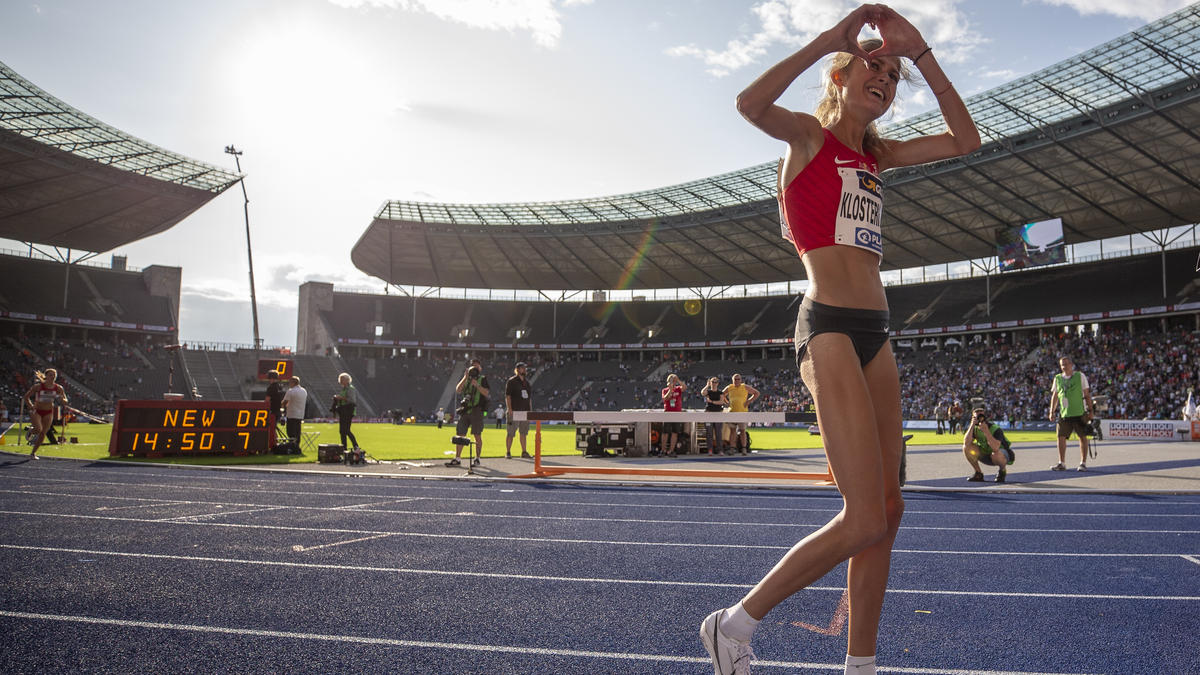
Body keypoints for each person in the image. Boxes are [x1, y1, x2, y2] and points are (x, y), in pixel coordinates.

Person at [701, 6, 980, 675]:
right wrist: (829, 38)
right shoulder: (806, 139)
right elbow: (747, 102)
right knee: (861, 515)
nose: (884, 77)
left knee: (889, 509)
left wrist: (923, 54)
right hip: (825, 323)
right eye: (873, 65)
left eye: (891, 72)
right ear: (840, 74)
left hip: (875, 331)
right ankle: (733, 624)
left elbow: (965, 140)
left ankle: (861, 666)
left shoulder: (877, 155)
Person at [1048, 355, 1095, 471]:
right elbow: (1055, 396)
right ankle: (1061, 463)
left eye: (1066, 364)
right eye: (1062, 365)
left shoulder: (1080, 376)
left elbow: (1087, 394)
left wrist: (1091, 410)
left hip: (1079, 412)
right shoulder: (1058, 378)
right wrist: (1051, 411)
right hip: (1064, 413)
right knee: (1060, 437)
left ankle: (1083, 463)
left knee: (1082, 437)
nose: (1064, 366)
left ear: (1071, 365)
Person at [447, 358, 489, 467]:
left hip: (477, 409)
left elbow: (486, 393)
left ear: (480, 368)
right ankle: (457, 458)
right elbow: (458, 390)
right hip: (465, 410)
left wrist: (477, 386)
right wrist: (465, 377)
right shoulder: (466, 379)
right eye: (472, 366)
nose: (474, 369)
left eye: (476, 366)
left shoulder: (482, 379)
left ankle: (477, 458)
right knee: (460, 434)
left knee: (477, 435)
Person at [23, 368, 67, 459]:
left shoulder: (58, 388)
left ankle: (33, 453)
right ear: (46, 376)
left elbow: (65, 400)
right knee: (38, 429)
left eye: (54, 375)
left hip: (48, 412)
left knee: (43, 433)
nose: (53, 377)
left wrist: (62, 399)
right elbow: (26, 397)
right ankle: (31, 431)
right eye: (50, 375)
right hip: (37, 411)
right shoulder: (38, 386)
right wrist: (30, 406)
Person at [962, 407, 1013, 483]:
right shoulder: (974, 428)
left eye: (981, 416)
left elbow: (995, 448)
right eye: (977, 417)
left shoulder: (995, 429)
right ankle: (978, 473)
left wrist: (986, 432)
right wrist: (972, 425)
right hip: (985, 454)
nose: (980, 419)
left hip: (1001, 455)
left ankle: (1002, 471)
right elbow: (966, 443)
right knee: (966, 448)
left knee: (996, 454)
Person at [723, 374, 761, 455]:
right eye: (735, 379)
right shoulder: (730, 387)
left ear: (741, 380)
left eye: (738, 379)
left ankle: (744, 448)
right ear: (732, 380)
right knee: (732, 431)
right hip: (732, 412)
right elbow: (721, 395)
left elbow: (756, 393)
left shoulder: (744, 387)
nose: (736, 381)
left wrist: (748, 401)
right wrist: (726, 402)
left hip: (742, 412)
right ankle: (732, 448)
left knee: (742, 431)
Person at [505, 361, 533, 459]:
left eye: (525, 368)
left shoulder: (527, 383)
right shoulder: (512, 381)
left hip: (525, 411)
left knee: (524, 433)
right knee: (511, 433)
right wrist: (510, 409)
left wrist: (530, 411)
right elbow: (508, 396)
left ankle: (524, 452)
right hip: (515, 410)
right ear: (517, 370)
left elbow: (529, 398)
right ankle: (508, 452)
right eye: (522, 368)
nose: (524, 370)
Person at [332, 372, 360, 452]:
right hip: (343, 411)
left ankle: (356, 446)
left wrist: (341, 398)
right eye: (340, 379)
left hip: (348, 411)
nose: (340, 381)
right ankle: (344, 448)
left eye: (342, 379)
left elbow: (352, 400)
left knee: (346, 430)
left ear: (347, 380)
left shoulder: (350, 388)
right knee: (342, 431)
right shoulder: (343, 389)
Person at [700, 376, 728, 455]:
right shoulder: (708, 392)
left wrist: (711, 401)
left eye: (715, 382)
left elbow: (721, 402)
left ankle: (720, 450)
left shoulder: (720, 392)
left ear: (718, 383)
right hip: (709, 413)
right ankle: (710, 449)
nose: (714, 383)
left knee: (718, 433)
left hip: (718, 413)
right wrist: (707, 385)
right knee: (709, 433)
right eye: (712, 382)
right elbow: (702, 392)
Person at [660, 373, 685, 457]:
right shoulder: (665, 390)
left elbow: (684, 387)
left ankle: (671, 450)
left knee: (675, 432)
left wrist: (678, 380)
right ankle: (663, 450)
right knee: (665, 432)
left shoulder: (678, 389)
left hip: (677, 413)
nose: (673, 382)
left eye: (674, 381)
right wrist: (670, 390)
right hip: (668, 412)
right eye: (671, 380)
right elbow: (665, 399)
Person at [281, 376, 308, 444]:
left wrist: (281, 405)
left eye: (290, 383)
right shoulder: (304, 391)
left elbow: (284, 402)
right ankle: (297, 445)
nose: (289, 384)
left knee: (290, 431)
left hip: (292, 414)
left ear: (293, 383)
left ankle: (292, 445)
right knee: (297, 431)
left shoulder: (291, 391)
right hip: (300, 414)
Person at [264, 370, 285, 435]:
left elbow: (267, 400)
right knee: (274, 427)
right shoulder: (280, 386)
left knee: (270, 428)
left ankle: (273, 442)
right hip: (278, 410)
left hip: (272, 411)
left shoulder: (271, 387)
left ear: (271, 378)